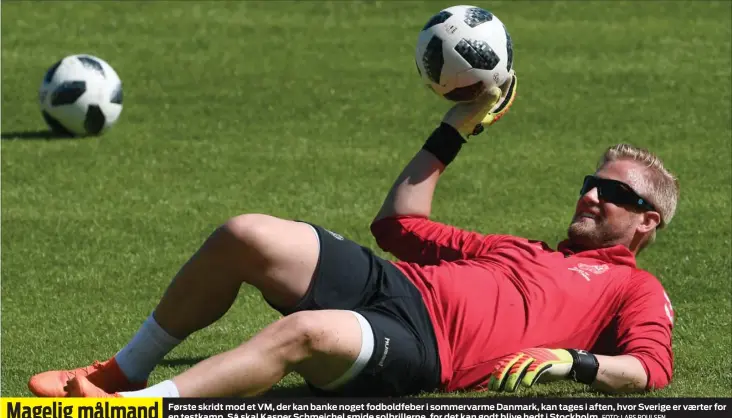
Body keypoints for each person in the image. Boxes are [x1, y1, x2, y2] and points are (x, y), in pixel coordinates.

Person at [28, 72, 678, 398]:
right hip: (390, 284)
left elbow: (651, 369)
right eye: (593, 183)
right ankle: (122, 371)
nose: (594, 195)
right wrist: (457, 125)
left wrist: (580, 362)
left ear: (648, 221)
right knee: (245, 233)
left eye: (617, 194)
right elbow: (400, 225)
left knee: (305, 334)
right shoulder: (519, 250)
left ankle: (144, 407)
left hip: (428, 348)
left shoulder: (634, 287)